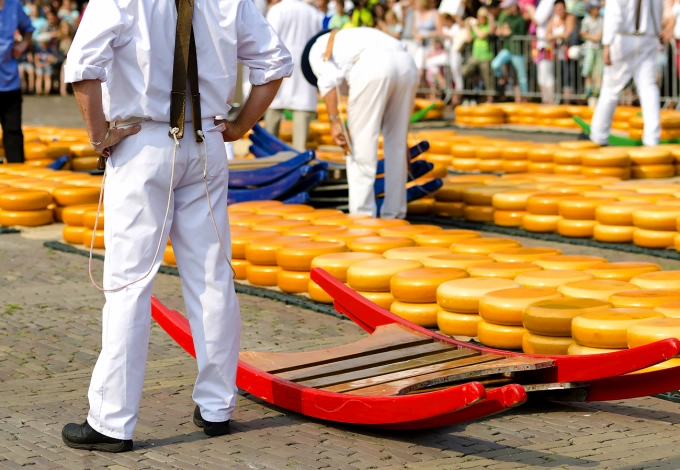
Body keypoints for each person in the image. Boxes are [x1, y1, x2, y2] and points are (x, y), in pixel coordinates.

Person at [60, 0, 292, 452]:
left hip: (143, 139)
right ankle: (216, 406)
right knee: (211, 276)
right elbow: (274, 63)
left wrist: (98, 136)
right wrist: (243, 123)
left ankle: (111, 421)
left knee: (129, 283)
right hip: (205, 142)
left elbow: (82, 65)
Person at [301, 27, 418, 218]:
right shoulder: (355, 36)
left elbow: (328, 81)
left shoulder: (316, 48)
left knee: (360, 148)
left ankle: (362, 217)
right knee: (396, 146)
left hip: (373, 65)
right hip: (407, 64)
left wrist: (334, 121)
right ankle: (395, 214)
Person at [590, 0, 674, 146]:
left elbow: (613, 15)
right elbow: (659, 10)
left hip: (624, 38)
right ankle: (652, 138)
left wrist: (606, 44)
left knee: (610, 90)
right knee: (648, 88)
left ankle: (598, 135)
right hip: (648, 37)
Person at [265, 0, 320, 151]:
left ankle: (269, 158)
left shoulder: (278, 10)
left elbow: (267, 39)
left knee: (273, 109)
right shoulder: (312, 13)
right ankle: (300, 160)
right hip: (304, 65)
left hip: (280, 64)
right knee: (302, 112)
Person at [0, 0, 33, 164]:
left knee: (13, 131)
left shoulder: (14, 5)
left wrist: (23, 44)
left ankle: (17, 169)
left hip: (9, 80)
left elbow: (28, 29)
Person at [491, 0, 528, 102]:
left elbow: (520, 35)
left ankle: (525, 98)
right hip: (507, 49)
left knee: (521, 76)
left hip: (517, 51)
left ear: (514, 7)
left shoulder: (521, 19)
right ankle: (503, 77)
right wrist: (503, 32)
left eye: (508, 7)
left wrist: (508, 33)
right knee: (495, 64)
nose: (505, 10)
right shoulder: (506, 17)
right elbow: (499, 31)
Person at [461, 7, 495, 102]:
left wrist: (474, 26)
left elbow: (482, 35)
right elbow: (468, 39)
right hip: (475, 56)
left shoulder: (487, 26)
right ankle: (476, 85)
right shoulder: (477, 27)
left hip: (486, 56)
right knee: (465, 71)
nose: (480, 19)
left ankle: (490, 99)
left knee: (488, 78)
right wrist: (467, 26)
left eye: (482, 17)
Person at [546, 0, 576, 102]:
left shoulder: (570, 17)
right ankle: (559, 100)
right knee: (558, 77)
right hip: (557, 54)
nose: (560, 11)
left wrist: (554, 36)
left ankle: (567, 101)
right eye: (558, 9)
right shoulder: (554, 19)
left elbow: (567, 33)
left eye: (562, 8)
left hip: (568, 53)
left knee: (568, 77)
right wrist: (556, 36)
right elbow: (547, 35)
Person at [579, 0, 603, 98]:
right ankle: (588, 88)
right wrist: (594, 37)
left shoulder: (602, 19)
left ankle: (598, 87)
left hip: (599, 48)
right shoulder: (586, 20)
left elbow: (604, 30)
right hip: (590, 47)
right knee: (587, 68)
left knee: (599, 69)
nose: (597, 9)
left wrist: (598, 36)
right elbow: (582, 32)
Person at [413, 0, 442, 78]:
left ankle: (441, 83)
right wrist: (418, 37)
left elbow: (440, 31)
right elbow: (414, 31)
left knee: (430, 69)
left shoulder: (434, 13)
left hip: (432, 45)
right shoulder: (416, 13)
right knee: (419, 68)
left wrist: (425, 35)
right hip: (419, 45)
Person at [57, 20, 73, 96]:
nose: (66, 29)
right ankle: (63, 89)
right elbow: (55, 52)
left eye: (67, 28)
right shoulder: (58, 40)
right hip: (60, 59)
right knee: (64, 65)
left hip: (72, 59)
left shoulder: (73, 39)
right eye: (65, 28)